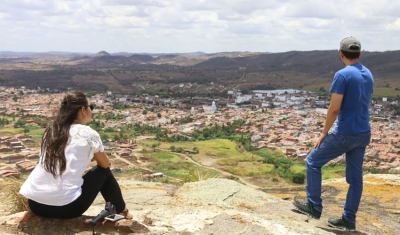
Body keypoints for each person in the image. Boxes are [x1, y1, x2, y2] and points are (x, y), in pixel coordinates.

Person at [293, 37, 374, 231]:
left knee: (313, 161)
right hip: (363, 132)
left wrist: (324, 133)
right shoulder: (368, 74)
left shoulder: (342, 75)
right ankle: (348, 220)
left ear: (341, 54)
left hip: (345, 132)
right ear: (360, 54)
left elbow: (334, 109)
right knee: (355, 179)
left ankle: (314, 206)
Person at [19, 91, 132, 220]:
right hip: (67, 209)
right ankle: (121, 210)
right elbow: (104, 164)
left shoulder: (51, 130)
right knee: (102, 171)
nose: (91, 110)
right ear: (83, 110)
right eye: (91, 107)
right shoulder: (88, 133)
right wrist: (92, 156)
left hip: (36, 206)